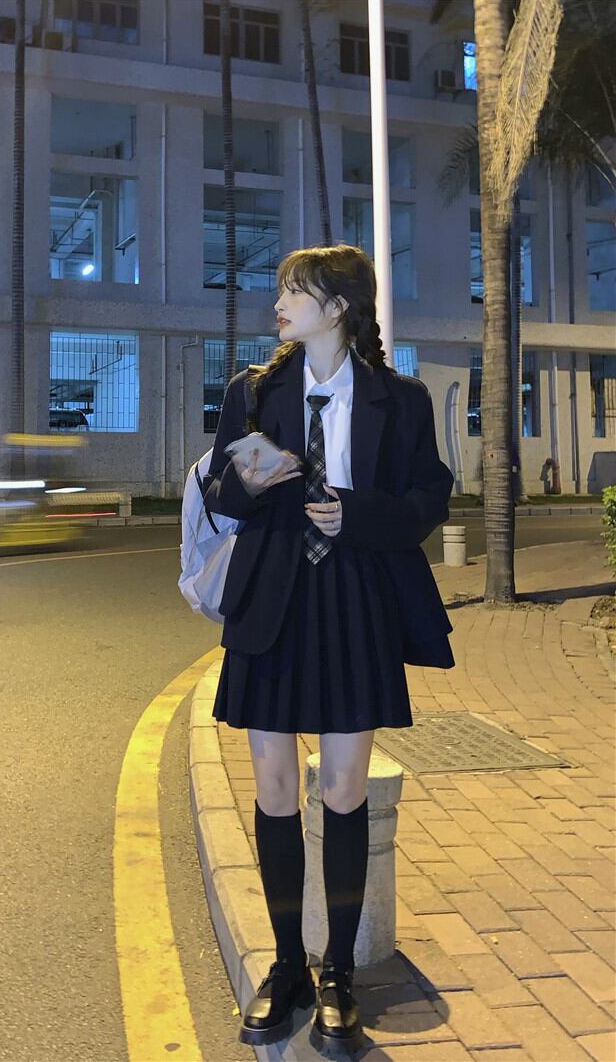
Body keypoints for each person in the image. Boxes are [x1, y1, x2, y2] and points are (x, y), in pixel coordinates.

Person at [201, 243, 455, 1054]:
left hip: (355, 596)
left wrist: (359, 515)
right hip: (272, 595)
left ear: (339, 307)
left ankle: (337, 972)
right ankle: (286, 967)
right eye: (280, 290)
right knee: (276, 785)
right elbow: (219, 491)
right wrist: (256, 480)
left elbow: (430, 495)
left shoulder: (400, 398)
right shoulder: (253, 391)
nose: (279, 303)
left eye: (295, 291)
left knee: (343, 789)